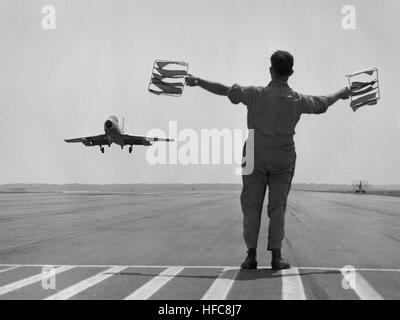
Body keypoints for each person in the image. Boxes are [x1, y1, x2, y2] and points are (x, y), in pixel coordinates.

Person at [185, 50, 350, 270]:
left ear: (270, 70)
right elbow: (323, 103)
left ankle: (251, 256)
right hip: (283, 156)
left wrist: (198, 81)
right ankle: (276, 256)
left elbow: (225, 91)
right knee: (278, 207)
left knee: (251, 205)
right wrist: (342, 92)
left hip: (254, 153)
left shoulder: (255, 94)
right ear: (291, 72)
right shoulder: (298, 100)